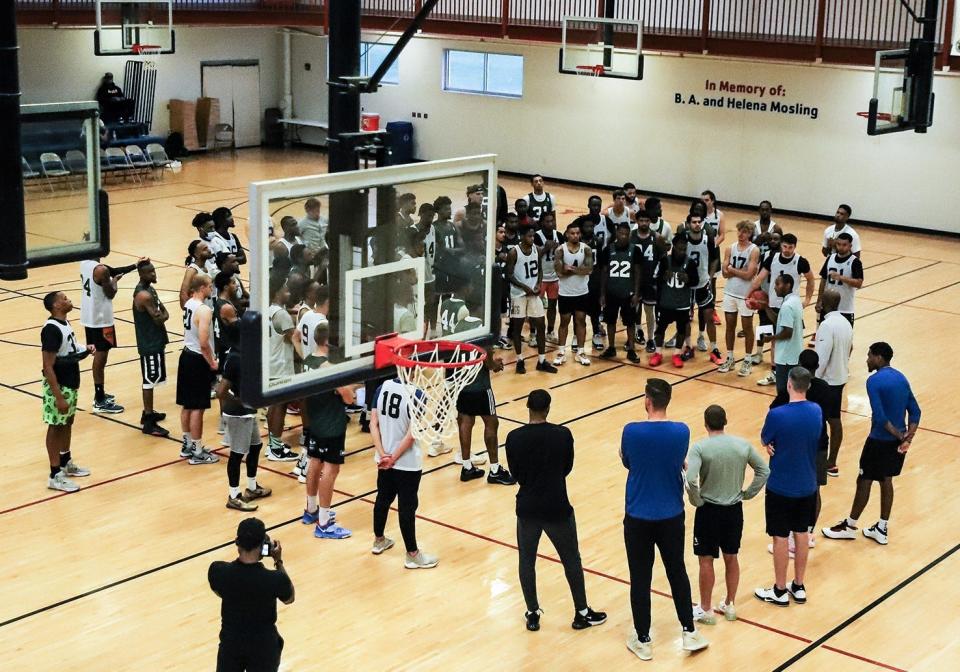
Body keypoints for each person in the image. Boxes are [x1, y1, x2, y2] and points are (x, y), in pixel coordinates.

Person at [622, 379, 709, 661]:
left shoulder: (631, 431)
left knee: (640, 576)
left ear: (647, 400)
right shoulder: (681, 431)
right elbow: (678, 461)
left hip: (637, 515)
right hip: (671, 514)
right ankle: (688, 630)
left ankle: (644, 639)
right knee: (677, 571)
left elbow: (628, 462)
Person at [506, 389, 607, 632]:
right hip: (557, 506)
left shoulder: (513, 437)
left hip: (527, 507)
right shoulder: (562, 434)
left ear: (527, 407)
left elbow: (515, 473)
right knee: (571, 559)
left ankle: (532, 613)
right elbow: (567, 467)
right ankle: (581, 613)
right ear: (548, 409)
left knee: (526, 561)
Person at [822, 342, 921, 546]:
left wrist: (897, 435)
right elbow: (915, 411)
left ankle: (849, 526)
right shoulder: (901, 378)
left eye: (869, 356)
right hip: (897, 444)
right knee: (887, 481)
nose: (867, 359)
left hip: (878, 440)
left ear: (878, 357)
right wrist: (907, 436)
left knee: (864, 480)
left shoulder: (874, 381)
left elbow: (880, 417)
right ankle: (882, 527)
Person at [685, 404, 769, 624]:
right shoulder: (742, 445)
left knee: (705, 560)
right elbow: (764, 471)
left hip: (708, 511)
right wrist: (748, 494)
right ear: (725, 421)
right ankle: (730, 605)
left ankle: (706, 609)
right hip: (734, 510)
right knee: (731, 557)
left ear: (705, 423)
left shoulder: (700, 448)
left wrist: (696, 499)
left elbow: (690, 478)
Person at [755, 367, 821, 607]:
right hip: (807, 483)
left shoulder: (778, 414)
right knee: (802, 533)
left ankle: (780, 589)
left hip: (781, 485)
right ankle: (799, 585)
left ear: (789, 385)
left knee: (780, 536)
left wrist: (770, 444)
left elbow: (765, 437)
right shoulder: (816, 411)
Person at [208, 517, 294, 672]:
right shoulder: (275, 579)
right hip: (264, 647)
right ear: (262, 545)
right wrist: (278, 562)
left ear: (237, 543)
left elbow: (218, 591)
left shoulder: (218, 571)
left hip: (232, 645)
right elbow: (289, 598)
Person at [370, 377, 438, 569]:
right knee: (407, 507)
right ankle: (413, 554)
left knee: (382, 498)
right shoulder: (417, 394)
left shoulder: (382, 387)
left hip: (383, 459)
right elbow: (411, 435)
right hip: (406, 463)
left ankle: (379, 540)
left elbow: (373, 424)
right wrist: (394, 458)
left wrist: (383, 453)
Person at [41, 291, 93, 492]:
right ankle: (55, 475)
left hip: (70, 383)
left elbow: (69, 348)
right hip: (59, 385)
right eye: (63, 298)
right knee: (55, 426)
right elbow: (48, 366)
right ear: (55, 306)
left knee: (67, 423)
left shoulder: (64, 324)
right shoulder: (51, 330)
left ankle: (65, 461)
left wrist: (85, 349)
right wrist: (58, 396)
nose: (67, 299)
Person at [751, 233, 815, 385]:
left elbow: (811, 280)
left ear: (795, 247)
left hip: (790, 305)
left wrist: (807, 300)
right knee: (773, 340)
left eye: (790, 247)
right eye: (785, 246)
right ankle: (774, 369)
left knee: (787, 338)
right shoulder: (772, 258)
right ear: (781, 245)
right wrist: (749, 296)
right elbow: (759, 278)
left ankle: (787, 371)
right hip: (773, 303)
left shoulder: (800, 261)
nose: (787, 250)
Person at [79, 257, 139, 413]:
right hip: (101, 318)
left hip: (89, 315)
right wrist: (115, 282)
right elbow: (110, 293)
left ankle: (100, 393)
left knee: (99, 355)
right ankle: (99, 400)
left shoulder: (85, 263)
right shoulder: (101, 270)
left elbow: (112, 271)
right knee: (101, 356)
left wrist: (136, 265)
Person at [217, 347, 272, 512]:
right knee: (237, 454)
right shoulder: (235, 357)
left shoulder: (247, 354)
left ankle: (252, 487)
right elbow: (220, 391)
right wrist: (240, 402)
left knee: (256, 447)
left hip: (248, 412)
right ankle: (233, 496)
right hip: (238, 414)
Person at [302, 384, 356, 540]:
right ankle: (324, 523)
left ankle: (311, 511)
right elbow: (348, 397)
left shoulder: (309, 361)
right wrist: (350, 392)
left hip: (315, 419)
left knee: (315, 461)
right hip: (332, 424)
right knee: (331, 470)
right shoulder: (330, 365)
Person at [177, 274, 219, 465]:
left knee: (187, 404)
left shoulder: (188, 305)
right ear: (202, 287)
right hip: (197, 359)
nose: (211, 289)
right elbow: (203, 343)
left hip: (186, 355)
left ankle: (187, 444)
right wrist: (212, 362)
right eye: (209, 286)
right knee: (198, 407)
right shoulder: (204, 310)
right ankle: (197, 450)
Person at [506, 226, 556, 374]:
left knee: (541, 325)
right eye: (529, 236)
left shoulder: (537, 250)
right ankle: (519, 360)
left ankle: (541, 360)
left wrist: (539, 284)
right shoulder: (514, 252)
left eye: (533, 236)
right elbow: (509, 274)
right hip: (518, 295)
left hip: (533, 294)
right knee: (518, 328)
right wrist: (523, 287)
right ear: (522, 236)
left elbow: (540, 270)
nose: (532, 239)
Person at [815, 289, 853, 477]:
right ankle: (832, 460)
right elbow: (850, 348)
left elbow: (821, 357)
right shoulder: (846, 323)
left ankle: (826, 462)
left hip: (826, 381)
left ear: (824, 303)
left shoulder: (827, 325)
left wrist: (813, 379)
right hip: (840, 377)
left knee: (825, 421)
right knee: (834, 419)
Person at [132, 260, 170, 437]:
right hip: (149, 341)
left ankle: (149, 412)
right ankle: (148, 420)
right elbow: (160, 317)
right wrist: (163, 313)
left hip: (156, 339)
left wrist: (162, 313)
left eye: (154, 271)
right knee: (149, 379)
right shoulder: (144, 295)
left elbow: (163, 313)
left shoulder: (150, 290)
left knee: (153, 378)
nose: (154, 274)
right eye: (150, 272)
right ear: (141, 274)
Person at [649, 233, 699, 368]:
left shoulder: (690, 263)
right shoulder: (665, 261)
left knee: (681, 330)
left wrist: (688, 279)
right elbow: (655, 278)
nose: (681, 252)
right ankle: (658, 352)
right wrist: (663, 277)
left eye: (684, 249)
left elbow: (696, 282)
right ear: (673, 247)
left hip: (682, 304)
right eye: (679, 249)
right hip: (665, 303)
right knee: (660, 330)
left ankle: (677, 354)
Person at [265, 275, 300, 462]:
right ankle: (275, 448)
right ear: (277, 292)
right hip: (280, 366)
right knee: (280, 405)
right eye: (285, 289)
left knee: (274, 406)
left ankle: (273, 444)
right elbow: (294, 338)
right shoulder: (282, 315)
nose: (288, 292)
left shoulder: (269, 310)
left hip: (269, 363)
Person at [718, 221, 759, 375]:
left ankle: (747, 360)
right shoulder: (730, 248)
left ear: (750, 234)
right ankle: (729, 358)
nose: (741, 234)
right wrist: (737, 271)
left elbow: (749, 275)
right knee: (729, 326)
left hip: (745, 295)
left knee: (747, 327)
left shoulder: (754, 250)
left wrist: (733, 270)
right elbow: (724, 273)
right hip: (730, 293)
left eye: (745, 232)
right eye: (740, 231)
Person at [680, 211, 720, 363]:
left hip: (703, 284)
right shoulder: (683, 239)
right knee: (685, 319)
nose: (697, 224)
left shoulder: (708, 239)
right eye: (694, 222)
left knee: (709, 316)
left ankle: (714, 348)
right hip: (687, 285)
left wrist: (710, 276)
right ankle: (688, 346)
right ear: (689, 224)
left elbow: (715, 258)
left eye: (699, 222)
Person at [598, 221, 640, 361]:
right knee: (610, 321)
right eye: (621, 233)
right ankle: (611, 347)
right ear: (616, 233)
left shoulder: (635, 250)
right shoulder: (608, 249)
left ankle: (632, 349)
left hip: (628, 294)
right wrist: (603, 294)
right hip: (612, 293)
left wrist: (636, 293)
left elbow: (637, 272)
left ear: (629, 235)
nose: (623, 236)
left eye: (626, 234)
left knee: (630, 322)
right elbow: (604, 272)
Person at [553, 221, 593, 367]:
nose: (575, 236)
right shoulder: (560, 250)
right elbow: (559, 272)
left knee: (581, 321)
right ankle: (561, 351)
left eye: (577, 233)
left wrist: (570, 269)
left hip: (582, 292)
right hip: (565, 293)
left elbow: (589, 270)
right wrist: (574, 270)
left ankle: (581, 352)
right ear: (567, 234)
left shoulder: (586, 249)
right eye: (572, 233)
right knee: (564, 322)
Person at [630, 209, 664, 352]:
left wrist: (659, 277)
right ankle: (633, 335)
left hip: (650, 280)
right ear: (637, 221)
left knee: (649, 311)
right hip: (633, 280)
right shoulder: (631, 236)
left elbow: (663, 258)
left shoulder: (657, 237)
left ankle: (650, 339)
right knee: (632, 310)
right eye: (641, 220)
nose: (644, 223)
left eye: (647, 221)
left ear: (650, 222)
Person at [770, 274, 805, 404]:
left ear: (788, 285)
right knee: (795, 394)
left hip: (785, 358)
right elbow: (780, 321)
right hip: (795, 355)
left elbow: (787, 333)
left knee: (783, 395)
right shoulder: (795, 300)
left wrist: (770, 338)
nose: (775, 288)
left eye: (778, 284)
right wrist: (765, 308)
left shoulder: (787, 306)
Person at [817, 232, 863, 327]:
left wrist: (841, 278)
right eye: (838, 244)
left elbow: (859, 283)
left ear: (850, 246)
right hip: (827, 307)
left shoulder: (855, 262)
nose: (841, 247)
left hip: (845, 309)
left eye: (844, 245)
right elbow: (823, 280)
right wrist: (819, 300)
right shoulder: (830, 258)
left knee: (845, 339)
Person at [534, 211, 562, 343]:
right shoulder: (536, 236)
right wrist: (545, 249)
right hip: (540, 277)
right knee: (535, 306)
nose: (550, 223)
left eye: (552, 221)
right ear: (542, 223)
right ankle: (534, 333)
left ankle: (550, 331)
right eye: (547, 221)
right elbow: (532, 256)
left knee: (552, 305)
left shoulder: (559, 235)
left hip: (554, 277)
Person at [181, 239, 214, 308]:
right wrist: (187, 312)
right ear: (197, 254)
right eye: (204, 249)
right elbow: (183, 293)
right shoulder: (192, 270)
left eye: (207, 247)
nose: (209, 250)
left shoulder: (207, 265)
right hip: (200, 312)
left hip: (209, 308)